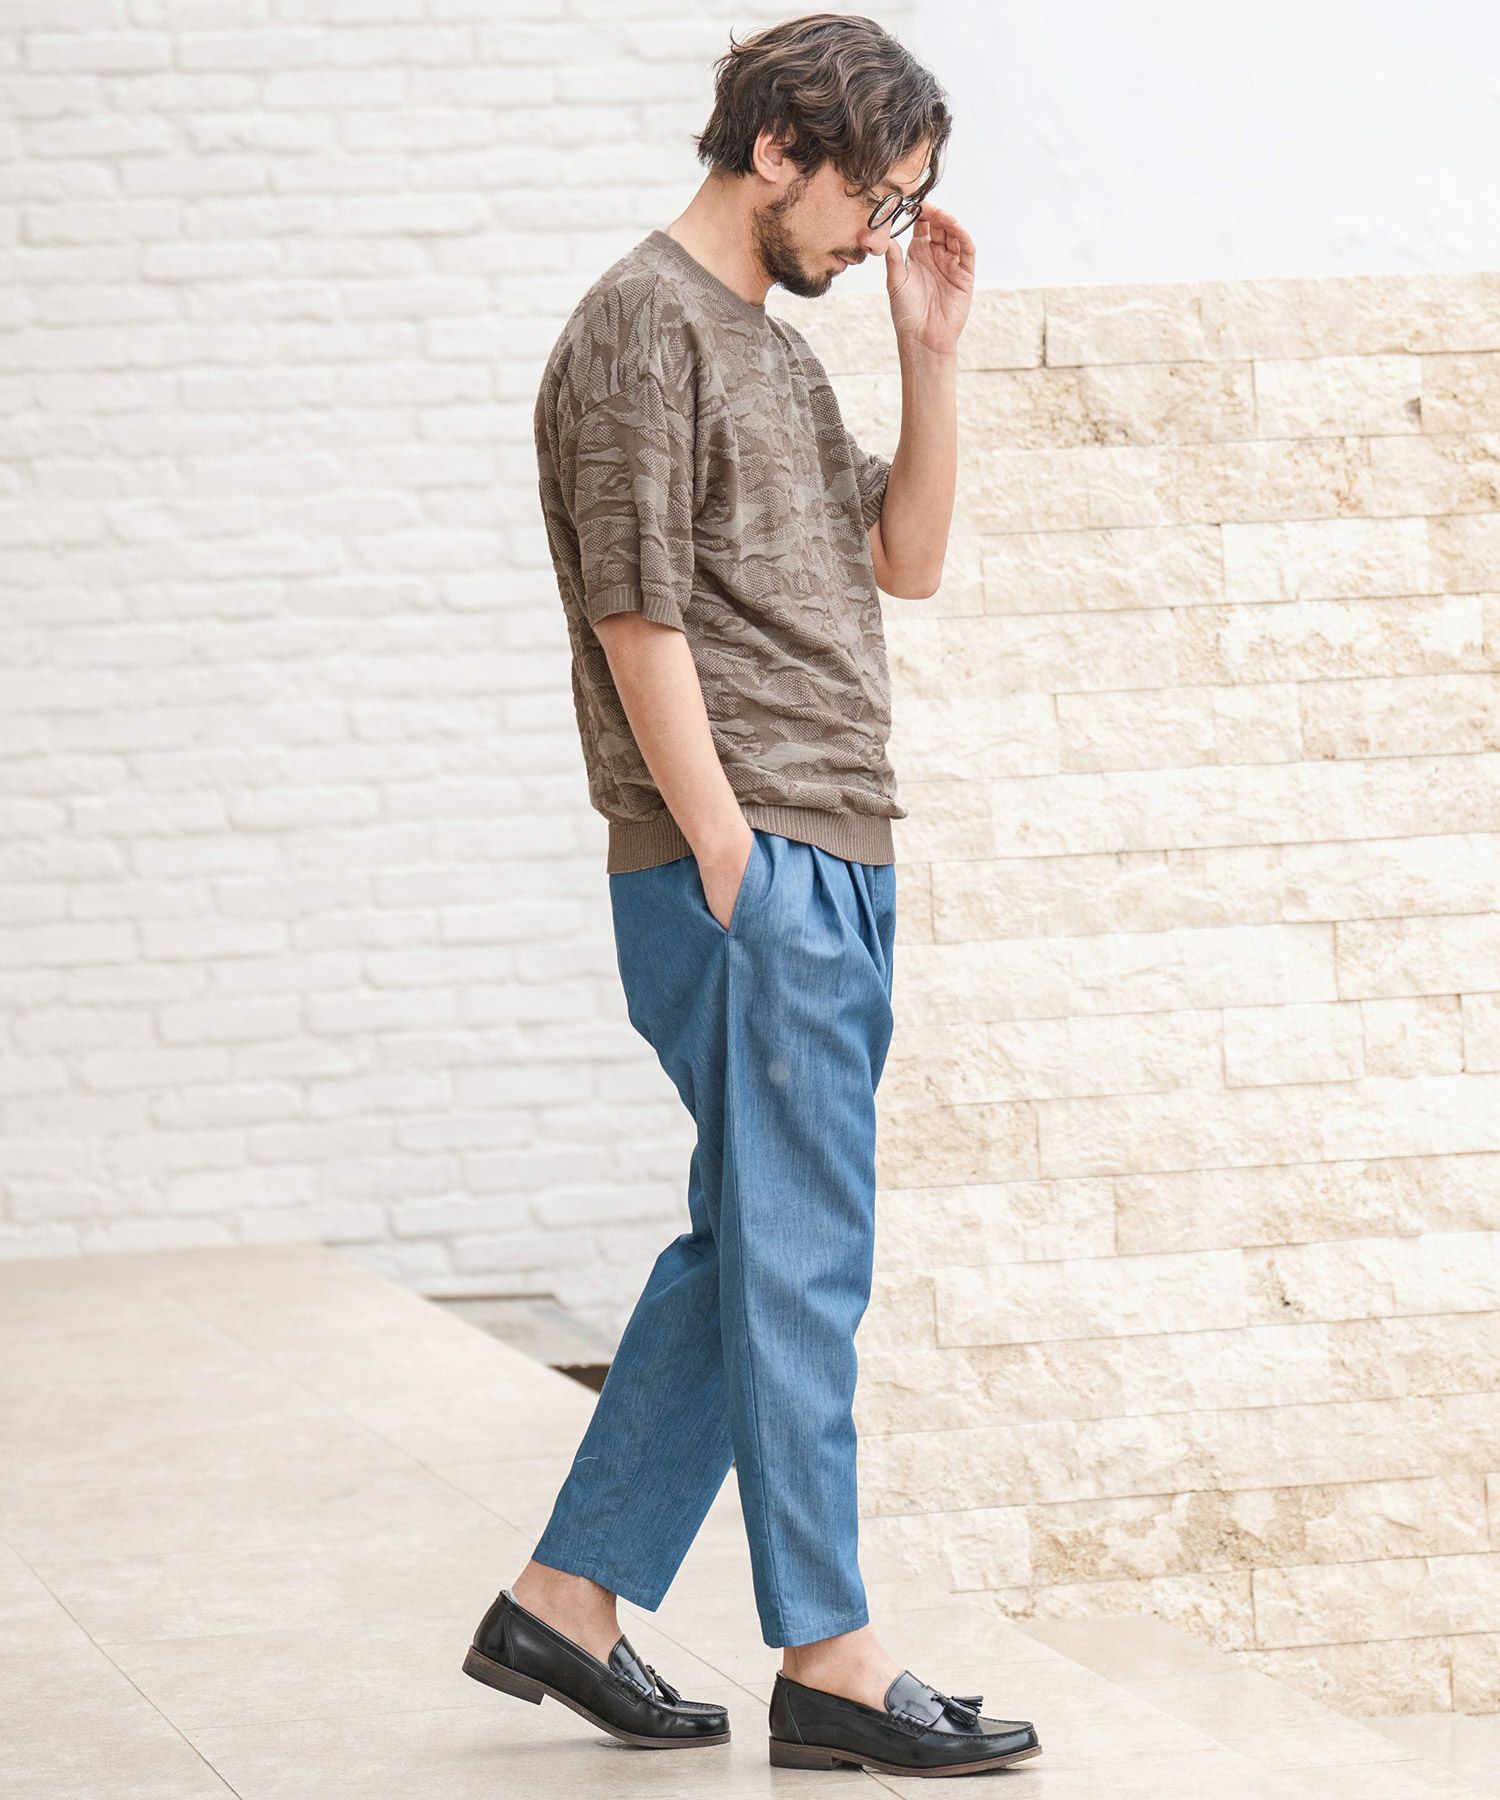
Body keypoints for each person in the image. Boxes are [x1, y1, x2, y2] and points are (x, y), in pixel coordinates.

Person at [463, 11, 1041, 1778]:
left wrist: (927, 351)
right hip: (755, 855)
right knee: (801, 1262)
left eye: (905, 208)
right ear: (778, 146)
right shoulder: (641, 328)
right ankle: (832, 1656)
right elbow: (635, 613)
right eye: (875, 199)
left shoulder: (774, 354)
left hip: (828, 846)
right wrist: (732, 860)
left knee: (754, 1249)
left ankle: (565, 1601)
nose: (879, 235)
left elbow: (904, 559)